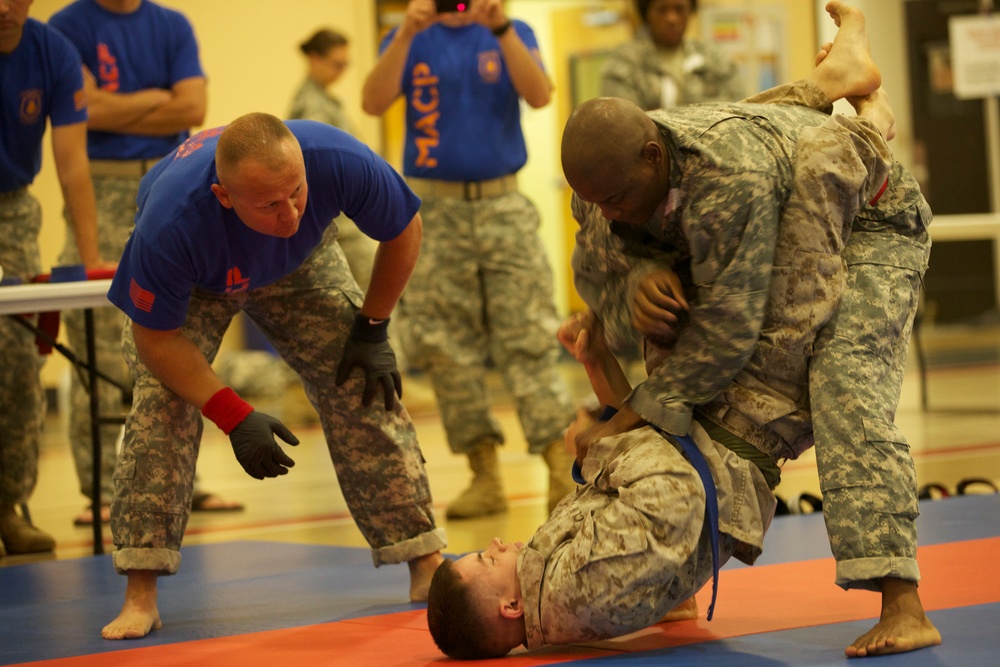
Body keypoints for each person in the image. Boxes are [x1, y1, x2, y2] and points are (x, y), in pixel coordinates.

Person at [427, 2, 940, 658]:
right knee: (828, 376)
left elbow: (720, 337)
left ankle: (864, 123)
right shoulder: (564, 582)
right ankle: (860, 113)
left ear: (648, 157)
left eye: (614, 200)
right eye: (480, 558)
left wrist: (609, 422)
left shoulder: (720, 174)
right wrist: (612, 416)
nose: (495, 543)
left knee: (838, 370)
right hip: (743, 392)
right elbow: (669, 472)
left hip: (872, 214)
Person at [99, 112, 446, 640]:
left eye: (297, 193)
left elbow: (404, 229)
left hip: (299, 264)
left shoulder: (337, 161)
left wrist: (373, 327)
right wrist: (232, 414)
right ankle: (140, 591)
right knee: (161, 408)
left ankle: (423, 559)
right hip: (199, 282)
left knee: (361, 379)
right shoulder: (171, 224)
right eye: (269, 203)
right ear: (225, 196)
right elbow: (155, 340)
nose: (289, 212)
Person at [362, 0, 576, 518]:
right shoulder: (414, 36)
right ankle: (485, 475)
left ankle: (559, 469)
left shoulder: (511, 30)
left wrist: (499, 27)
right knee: (445, 347)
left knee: (528, 335)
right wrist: (409, 30)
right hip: (434, 209)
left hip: (502, 203)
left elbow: (541, 94)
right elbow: (372, 101)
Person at [48, 0, 240, 527]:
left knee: (178, 331)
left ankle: (184, 482)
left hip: (168, 177)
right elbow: (91, 112)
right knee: (106, 346)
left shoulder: (171, 24)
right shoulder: (68, 25)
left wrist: (120, 104)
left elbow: (192, 109)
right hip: (104, 184)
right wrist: (157, 100)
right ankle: (101, 488)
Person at [0, 0, 107, 556]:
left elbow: (72, 165)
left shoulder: (51, 51)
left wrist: (88, 264)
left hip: (13, 210)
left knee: (17, 365)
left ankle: (8, 506)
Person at [288, 27, 377, 292]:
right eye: (336, 64)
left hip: (344, 222)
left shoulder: (323, 100)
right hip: (340, 227)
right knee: (374, 300)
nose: (342, 72)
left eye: (346, 65)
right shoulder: (312, 106)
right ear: (314, 59)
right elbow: (321, 163)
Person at [600, 0, 744, 111]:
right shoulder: (624, 62)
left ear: (690, 11)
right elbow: (622, 122)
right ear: (647, 14)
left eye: (679, 9)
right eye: (662, 10)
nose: (671, 18)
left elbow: (739, 109)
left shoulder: (715, 58)